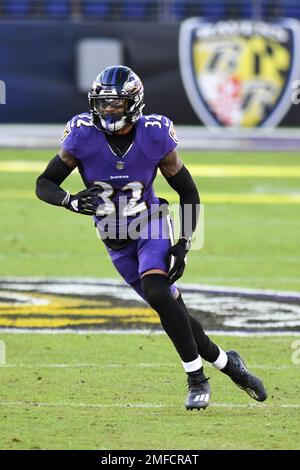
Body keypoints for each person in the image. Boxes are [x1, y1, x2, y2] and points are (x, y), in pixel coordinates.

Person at [35, 65, 267, 410]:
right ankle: (231, 365)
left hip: (151, 222)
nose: (107, 110)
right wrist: (69, 200)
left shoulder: (155, 134)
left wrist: (183, 245)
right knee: (176, 314)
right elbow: (44, 184)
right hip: (113, 236)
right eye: (102, 103)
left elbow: (188, 192)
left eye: (115, 104)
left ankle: (196, 379)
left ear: (133, 103)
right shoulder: (82, 136)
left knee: (157, 291)